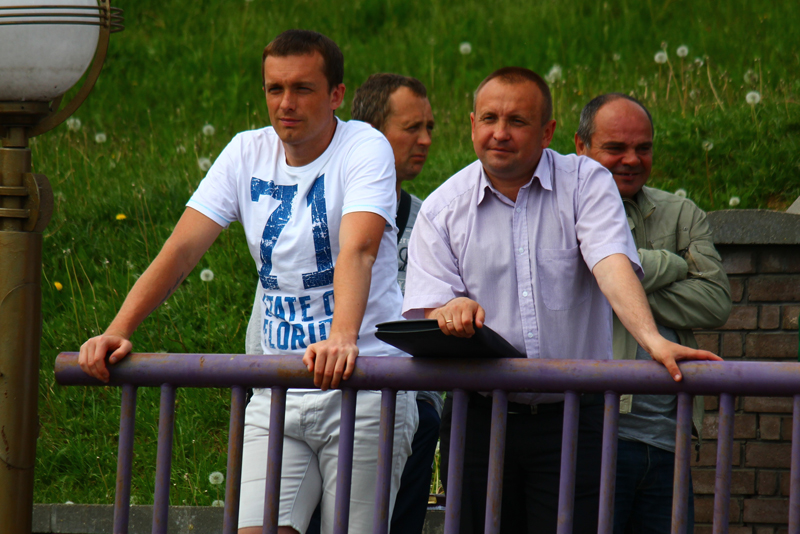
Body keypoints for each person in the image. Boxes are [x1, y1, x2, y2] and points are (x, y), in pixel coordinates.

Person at [78, 30, 418, 534]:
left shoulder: (364, 147)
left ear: (336, 95)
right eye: (274, 88)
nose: (286, 103)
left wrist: (342, 337)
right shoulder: (245, 152)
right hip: (278, 385)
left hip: (364, 382)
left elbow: (360, 247)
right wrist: (118, 329)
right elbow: (181, 250)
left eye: (302, 88)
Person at [402, 67, 722, 533]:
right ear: (472, 124)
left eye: (517, 121)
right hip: (478, 419)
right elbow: (431, 306)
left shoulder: (586, 182)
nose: (500, 133)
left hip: (575, 417)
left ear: (547, 131)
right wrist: (449, 311)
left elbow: (611, 262)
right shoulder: (441, 208)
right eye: (489, 118)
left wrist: (652, 340)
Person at [244, 72, 439, 534]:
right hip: (293, 389)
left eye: (429, 127)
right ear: (371, 132)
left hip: (391, 396)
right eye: (412, 127)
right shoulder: (307, 209)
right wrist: (261, 375)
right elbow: (273, 294)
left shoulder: (430, 218)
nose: (425, 140)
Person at [575, 93, 731, 534]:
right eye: (615, 148)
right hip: (594, 434)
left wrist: (614, 285)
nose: (631, 159)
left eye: (642, 148)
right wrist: (672, 264)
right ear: (580, 147)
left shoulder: (682, 213)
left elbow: (715, 301)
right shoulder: (561, 210)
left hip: (669, 440)